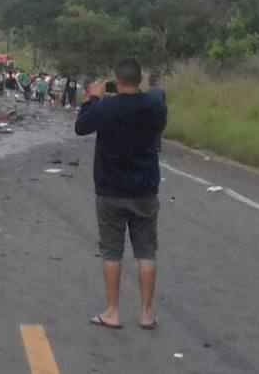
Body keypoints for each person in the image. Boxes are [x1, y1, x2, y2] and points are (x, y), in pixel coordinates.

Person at [75, 58, 167, 331]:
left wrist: (92, 98)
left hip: (110, 189)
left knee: (112, 253)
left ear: (116, 79)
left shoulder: (105, 107)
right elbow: (158, 101)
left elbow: (81, 127)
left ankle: (113, 311)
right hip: (145, 189)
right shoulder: (154, 106)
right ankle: (147, 313)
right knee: (147, 252)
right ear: (139, 79)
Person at [147, 71, 167, 152]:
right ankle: (157, 146)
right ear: (157, 82)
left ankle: (152, 145)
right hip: (161, 115)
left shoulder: (147, 92)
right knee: (158, 130)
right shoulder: (161, 91)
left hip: (152, 116)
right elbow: (163, 104)